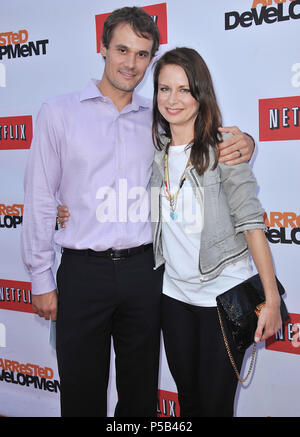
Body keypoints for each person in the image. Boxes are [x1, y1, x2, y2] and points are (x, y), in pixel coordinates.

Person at [22, 7, 255, 418]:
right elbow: (40, 199)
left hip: (146, 275)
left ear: (151, 59)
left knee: (141, 396)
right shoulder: (58, 113)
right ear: (103, 48)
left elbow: (205, 137)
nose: (131, 63)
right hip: (82, 273)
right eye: (122, 50)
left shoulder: (159, 117)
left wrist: (247, 141)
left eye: (143, 54)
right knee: (81, 394)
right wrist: (40, 278)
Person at [149, 47, 282, 417]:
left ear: (201, 94)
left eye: (184, 90)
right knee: (188, 401)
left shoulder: (223, 150)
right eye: (163, 89)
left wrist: (271, 299)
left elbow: (252, 222)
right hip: (173, 297)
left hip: (221, 301)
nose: (172, 99)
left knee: (216, 406)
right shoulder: (155, 149)